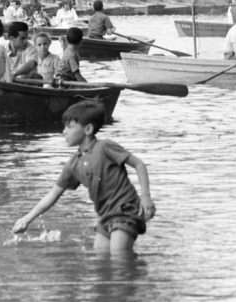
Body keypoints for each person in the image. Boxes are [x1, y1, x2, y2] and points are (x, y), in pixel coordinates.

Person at [11, 100, 155, 254]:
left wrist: (145, 197)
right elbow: (53, 194)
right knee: (101, 259)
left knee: (119, 257)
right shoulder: (73, 164)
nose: (64, 131)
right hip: (105, 215)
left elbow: (138, 164)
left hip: (125, 210)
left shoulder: (104, 147)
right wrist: (27, 218)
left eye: (70, 127)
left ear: (88, 129)